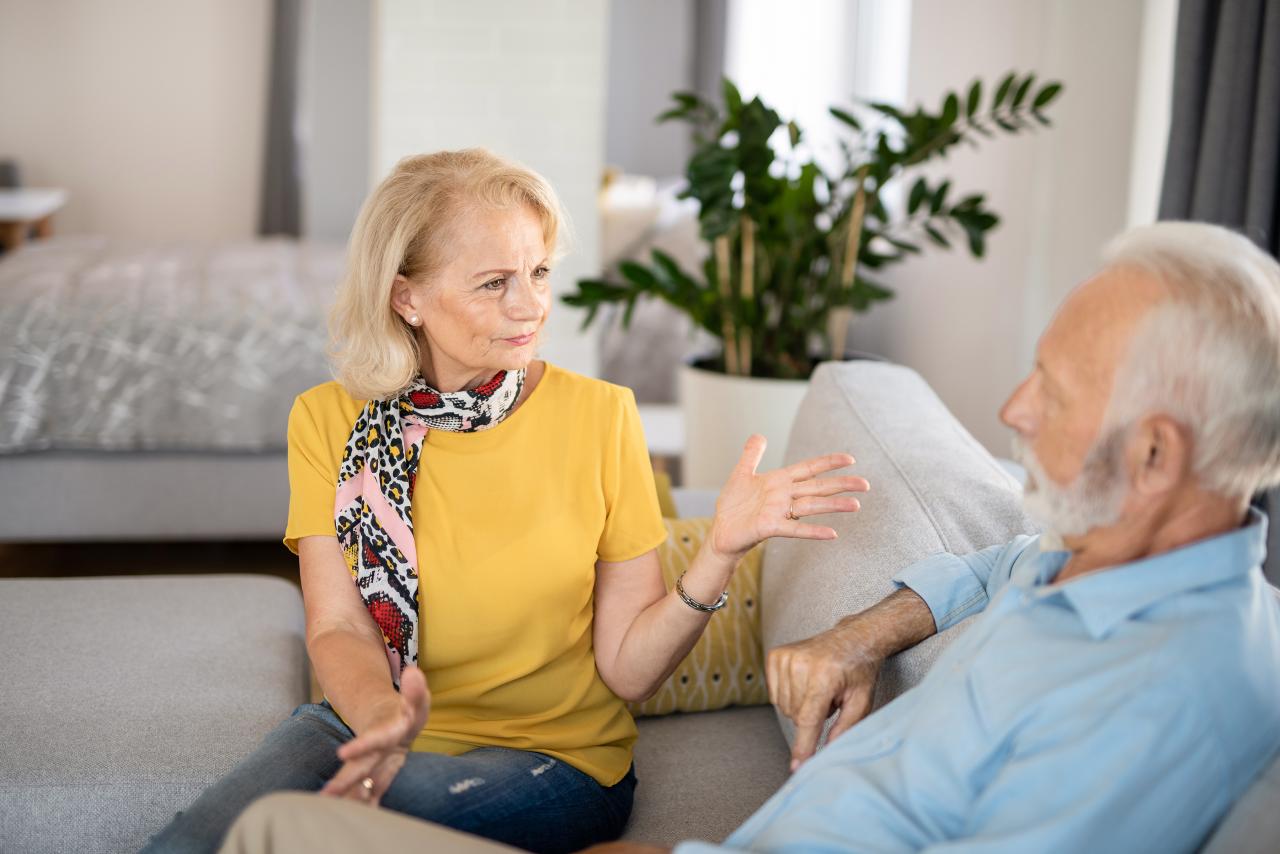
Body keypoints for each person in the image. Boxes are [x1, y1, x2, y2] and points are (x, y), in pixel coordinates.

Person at [219, 220, 1280, 854]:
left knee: (279, 828)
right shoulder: (1096, 553)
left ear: (1150, 456)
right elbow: (996, 560)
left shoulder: (1163, 696)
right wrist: (861, 631)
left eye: (1050, 387)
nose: (1009, 408)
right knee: (273, 818)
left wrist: (714, 558)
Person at [138, 149, 868, 854]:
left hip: (556, 757)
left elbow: (628, 670)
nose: (531, 306)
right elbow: (337, 625)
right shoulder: (328, 421)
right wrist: (384, 720)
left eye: (539, 272)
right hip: (363, 722)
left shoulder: (601, 416)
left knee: (343, 833)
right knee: (193, 845)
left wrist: (718, 553)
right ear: (406, 296)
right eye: (494, 283)